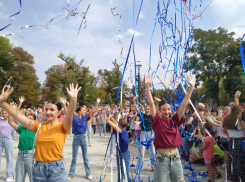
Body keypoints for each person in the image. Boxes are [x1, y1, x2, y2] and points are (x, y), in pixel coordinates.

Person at [0, 84, 81, 182]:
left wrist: (73, 99)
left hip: (57, 169)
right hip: (38, 169)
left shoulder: (63, 127)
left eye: (52, 110)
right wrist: (2, 101)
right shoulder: (38, 126)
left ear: (59, 112)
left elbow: (69, 116)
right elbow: (18, 116)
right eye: (46, 109)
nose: (48, 112)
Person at [145, 75, 195, 182]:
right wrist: (147, 87)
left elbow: (184, 103)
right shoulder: (156, 121)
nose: (167, 111)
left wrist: (191, 87)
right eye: (164, 110)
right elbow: (151, 104)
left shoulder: (175, 120)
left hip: (176, 158)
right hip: (162, 159)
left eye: (168, 109)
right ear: (159, 111)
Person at [68, 98, 100, 181]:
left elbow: (93, 111)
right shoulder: (74, 118)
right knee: (74, 158)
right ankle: (71, 174)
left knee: (85, 157)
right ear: (79, 111)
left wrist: (97, 103)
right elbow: (68, 112)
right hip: (76, 138)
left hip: (83, 138)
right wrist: (66, 104)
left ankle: (88, 174)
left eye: (85, 110)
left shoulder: (85, 118)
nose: (85, 111)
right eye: (83, 110)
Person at [8, 102, 36, 182]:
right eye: (27, 118)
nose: (28, 120)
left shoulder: (36, 129)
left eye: (30, 118)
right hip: (20, 155)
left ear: (34, 120)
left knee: (33, 178)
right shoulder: (21, 128)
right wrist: (10, 109)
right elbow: (11, 122)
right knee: (19, 179)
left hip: (32, 155)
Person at [223, 91, 245, 182]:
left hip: (232, 142)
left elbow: (225, 131)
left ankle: (234, 179)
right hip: (240, 143)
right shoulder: (240, 121)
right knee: (240, 163)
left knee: (233, 162)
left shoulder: (227, 119)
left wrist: (232, 135)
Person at [105, 115, 132, 182]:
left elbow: (116, 128)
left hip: (124, 155)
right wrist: (109, 121)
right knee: (119, 172)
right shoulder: (118, 131)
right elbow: (114, 127)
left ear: (119, 125)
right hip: (119, 153)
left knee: (125, 173)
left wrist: (109, 121)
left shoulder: (125, 132)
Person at [133, 97, 155, 171]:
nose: (147, 110)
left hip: (151, 133)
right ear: (144, 109)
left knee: (153, 151)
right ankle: (139, 167)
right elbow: (136, 109)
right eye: (146, 109)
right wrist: (134, 100)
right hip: (143, 133)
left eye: (148, 109)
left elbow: (157, 109)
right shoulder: (142, 115)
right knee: (141, 151)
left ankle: (153, 167)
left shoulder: (152, 116)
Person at [0, 109, 14, 181]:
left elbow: (16, 113)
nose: (4, 114)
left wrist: (19, 103)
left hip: (8, 139)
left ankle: (9, 175)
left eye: (6, 113)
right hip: (0, 139)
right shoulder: (0, 120)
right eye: (3, 113)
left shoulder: (11, 121)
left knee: (9, 158)